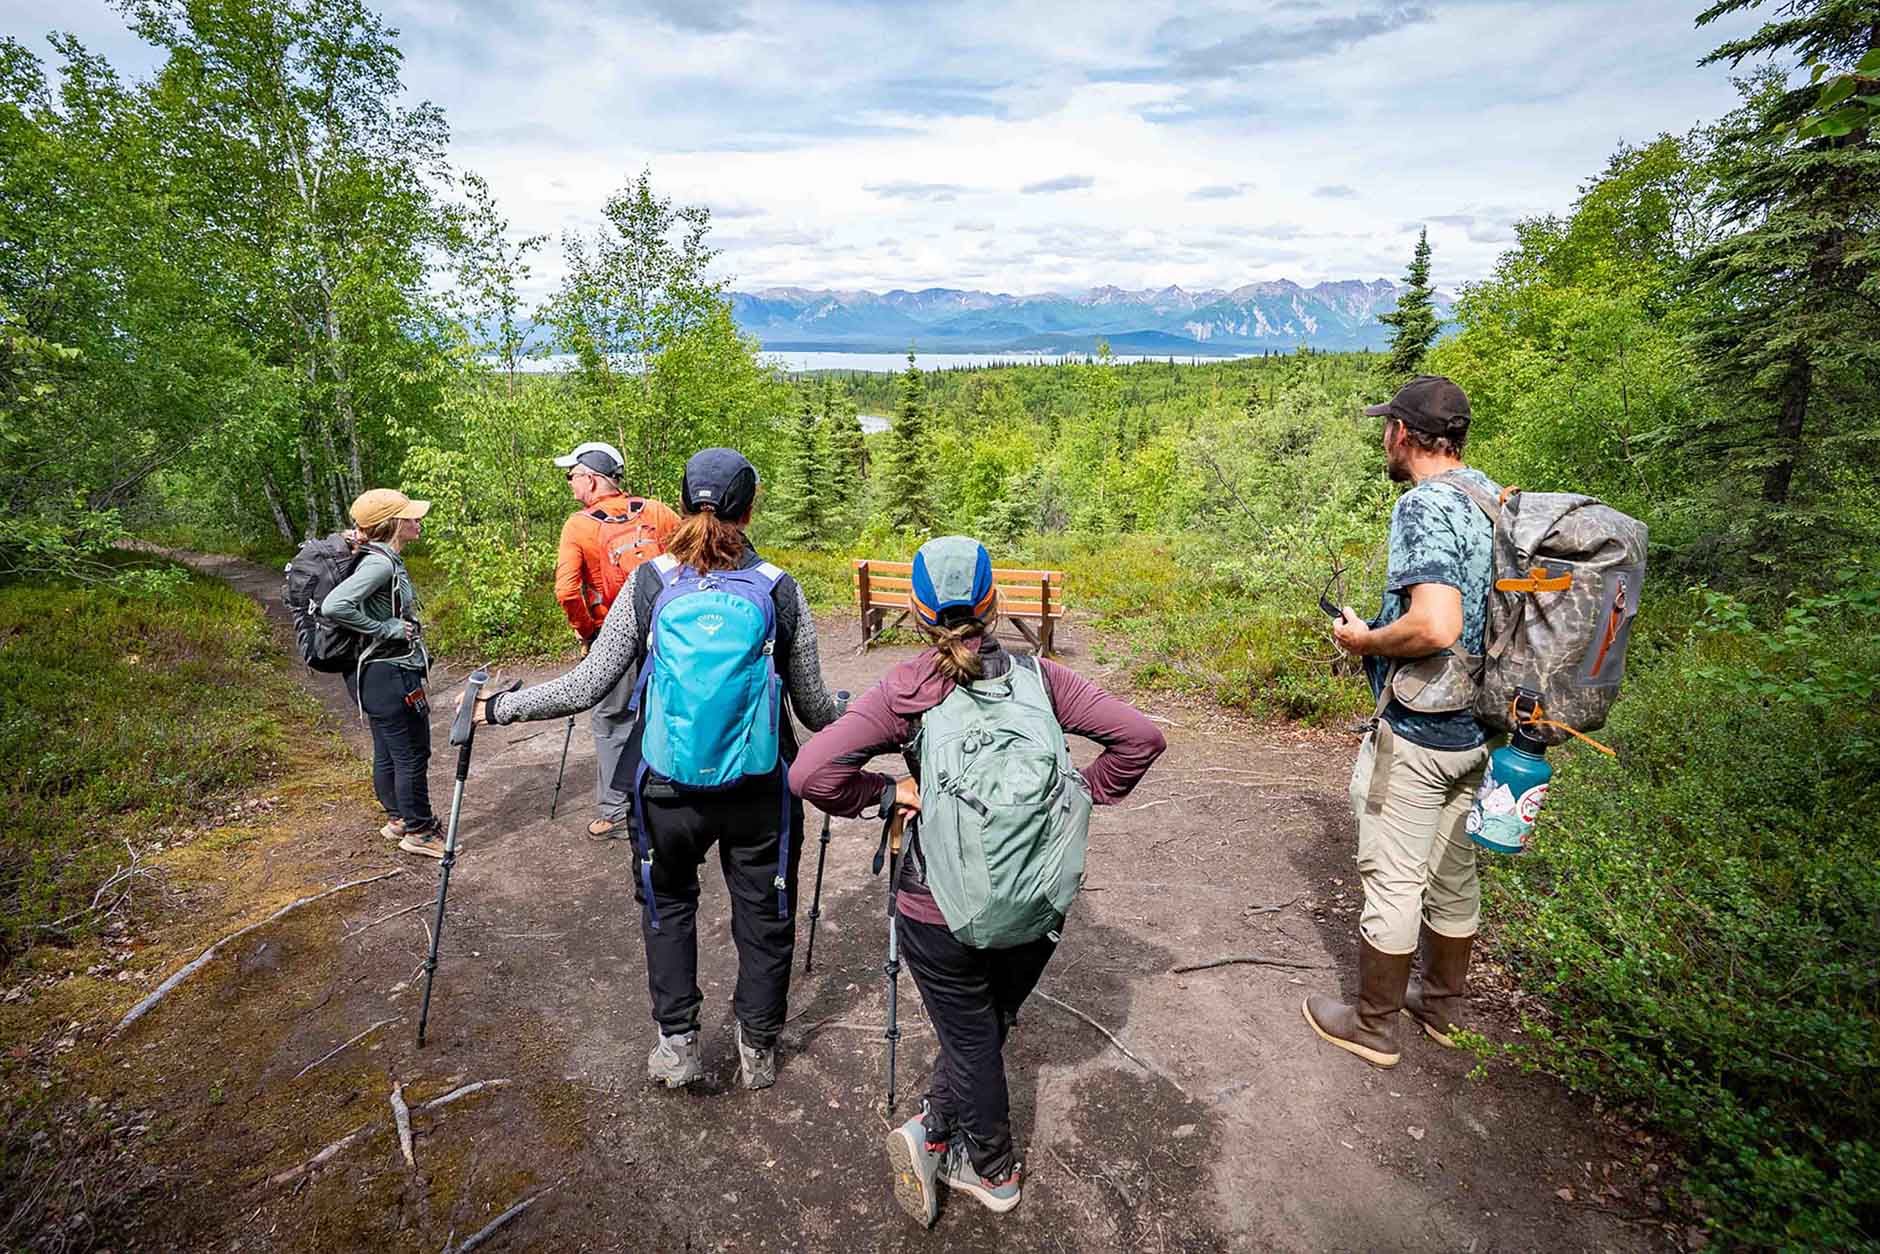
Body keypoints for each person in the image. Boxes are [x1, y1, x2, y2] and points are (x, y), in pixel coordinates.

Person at [790, 535, 1165, 1226]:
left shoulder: (905, 690)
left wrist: (888, 793)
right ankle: (935, 1128)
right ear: (992, 605)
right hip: (1037, 897)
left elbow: (811, 773)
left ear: (917, 612)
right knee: (984, 1025)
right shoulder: (1043, 679)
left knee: (969, 1035)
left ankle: (992, 1171)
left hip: (938, 906)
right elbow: (1142, 738)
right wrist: (1077, 793)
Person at [467, 448, 843, 1091]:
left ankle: (678, 1048)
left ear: (683, 504)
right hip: (759, 788)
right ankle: (758, 1048)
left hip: (666, 788)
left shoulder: (650, 583)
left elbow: (588, 685)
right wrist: (861, 712)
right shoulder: (778, 587)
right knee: (765, 913)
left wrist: (500, 708)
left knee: (668, 907)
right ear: (750, 508)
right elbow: (812, 707)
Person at [1304, 374, 1500, 1068]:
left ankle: (1373, 1025)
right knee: (1454, 871)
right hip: (1482, 726)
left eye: (1386, 427)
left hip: (1421, 728)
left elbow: (1437, 624)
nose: (1383, 438)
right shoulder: (1492, 498)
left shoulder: (1423, 505)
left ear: (1403, 434)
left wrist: (1365, 641)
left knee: (1393, 878)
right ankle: (1442, 1011)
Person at [550, 440, 681, 840]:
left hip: (613, 633)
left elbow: (567, 591)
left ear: (591, 479)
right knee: (666, 710)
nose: (570, 483)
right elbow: (691, 558)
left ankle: (614, 812)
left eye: (572, 476)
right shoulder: (656, 511)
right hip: (668, 633)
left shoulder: (579, 526)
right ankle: (672, 794)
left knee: (611, 719)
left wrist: (590, 632)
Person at [321, 488, 441, 859]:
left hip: (374, 675)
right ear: (392, 524)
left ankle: (399, 819)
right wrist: (386, 628)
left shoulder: (375, 556)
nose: (418, 520)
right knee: (411, 753)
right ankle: (420, 831)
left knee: (389, 750)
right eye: (410, 516)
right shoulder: (380, 565)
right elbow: (334, 605)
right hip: (389, 673)